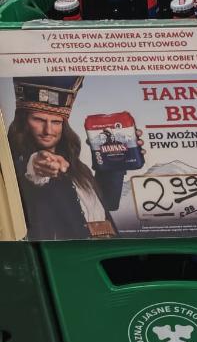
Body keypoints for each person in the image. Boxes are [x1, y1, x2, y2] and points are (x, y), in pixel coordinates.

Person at [8, 77, 121, 239]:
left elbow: (109, 202)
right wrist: (37, 164)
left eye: (56, 122)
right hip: (67, 251)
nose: (48, 130)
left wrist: (116, 160)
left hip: (107, 247)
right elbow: (33, 172)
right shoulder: (17, 168)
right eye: (39, 120)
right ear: (23, 122)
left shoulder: (79, 168)